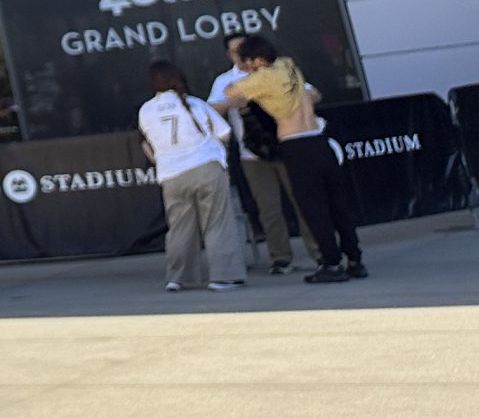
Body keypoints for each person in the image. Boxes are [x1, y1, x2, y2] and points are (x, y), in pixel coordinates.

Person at [219, 32, 365, 286]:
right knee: (338, 205)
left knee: (314, 208)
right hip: (319, 139)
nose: (242, 66)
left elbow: (230, 90)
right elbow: (311, 92)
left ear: (253, 60)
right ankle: (355, 260)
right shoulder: (288, 65)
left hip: (296, 146)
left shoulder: (262, 77)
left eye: (244, 61)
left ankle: (331, 264)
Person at [209, 38, 314, 274]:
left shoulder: (279, 71)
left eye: (246, 51)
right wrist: (230, 103)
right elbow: (210, 109)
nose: (242, 56)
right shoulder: (225, 80)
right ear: (229, 54)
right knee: (268, 208)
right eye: (237, 52)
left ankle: (318, 252)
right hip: (252, 152)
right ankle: (280, 257)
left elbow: (313, 93)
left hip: (287, 145)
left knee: (303, 200)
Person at [136, 59, 241, 292]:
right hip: (205, 166)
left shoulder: (146, 110)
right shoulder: (194, 104)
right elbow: (224, 132)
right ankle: (222, 276)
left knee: (179, 227)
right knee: (217, 222)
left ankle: (178, 277)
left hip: (171, 174)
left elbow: (148, 141)